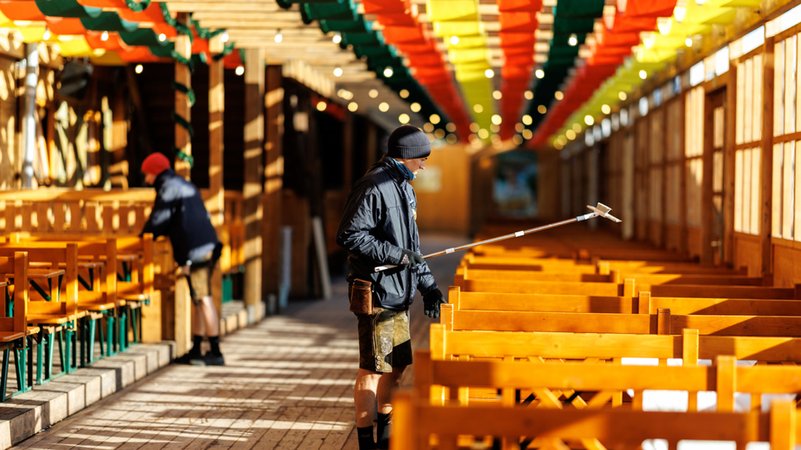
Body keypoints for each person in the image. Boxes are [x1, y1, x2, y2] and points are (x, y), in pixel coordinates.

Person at [336, 125, 447, 450]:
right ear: (407, 156)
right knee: (373, 369)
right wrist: (395, 254)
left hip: (400, 292)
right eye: (422, 159)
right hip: (377, 292)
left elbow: (412, 245)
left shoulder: (403, 186)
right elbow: (349, 234)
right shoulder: (373, 185)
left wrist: (428, 286)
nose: (424, 166)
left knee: (396, 367)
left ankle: (385, 435)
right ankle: (366, 441)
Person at [140, 152, 225, 366]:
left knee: (203, 299)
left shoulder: (168, 186)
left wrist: (144, 238)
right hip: (206, 246)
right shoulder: (179, 183)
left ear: (154, 172)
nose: (147, 180)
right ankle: (197, 349)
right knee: (198, 298)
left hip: (196, 251)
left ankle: (215, 351)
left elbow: (160, 218)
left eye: (147, 175)